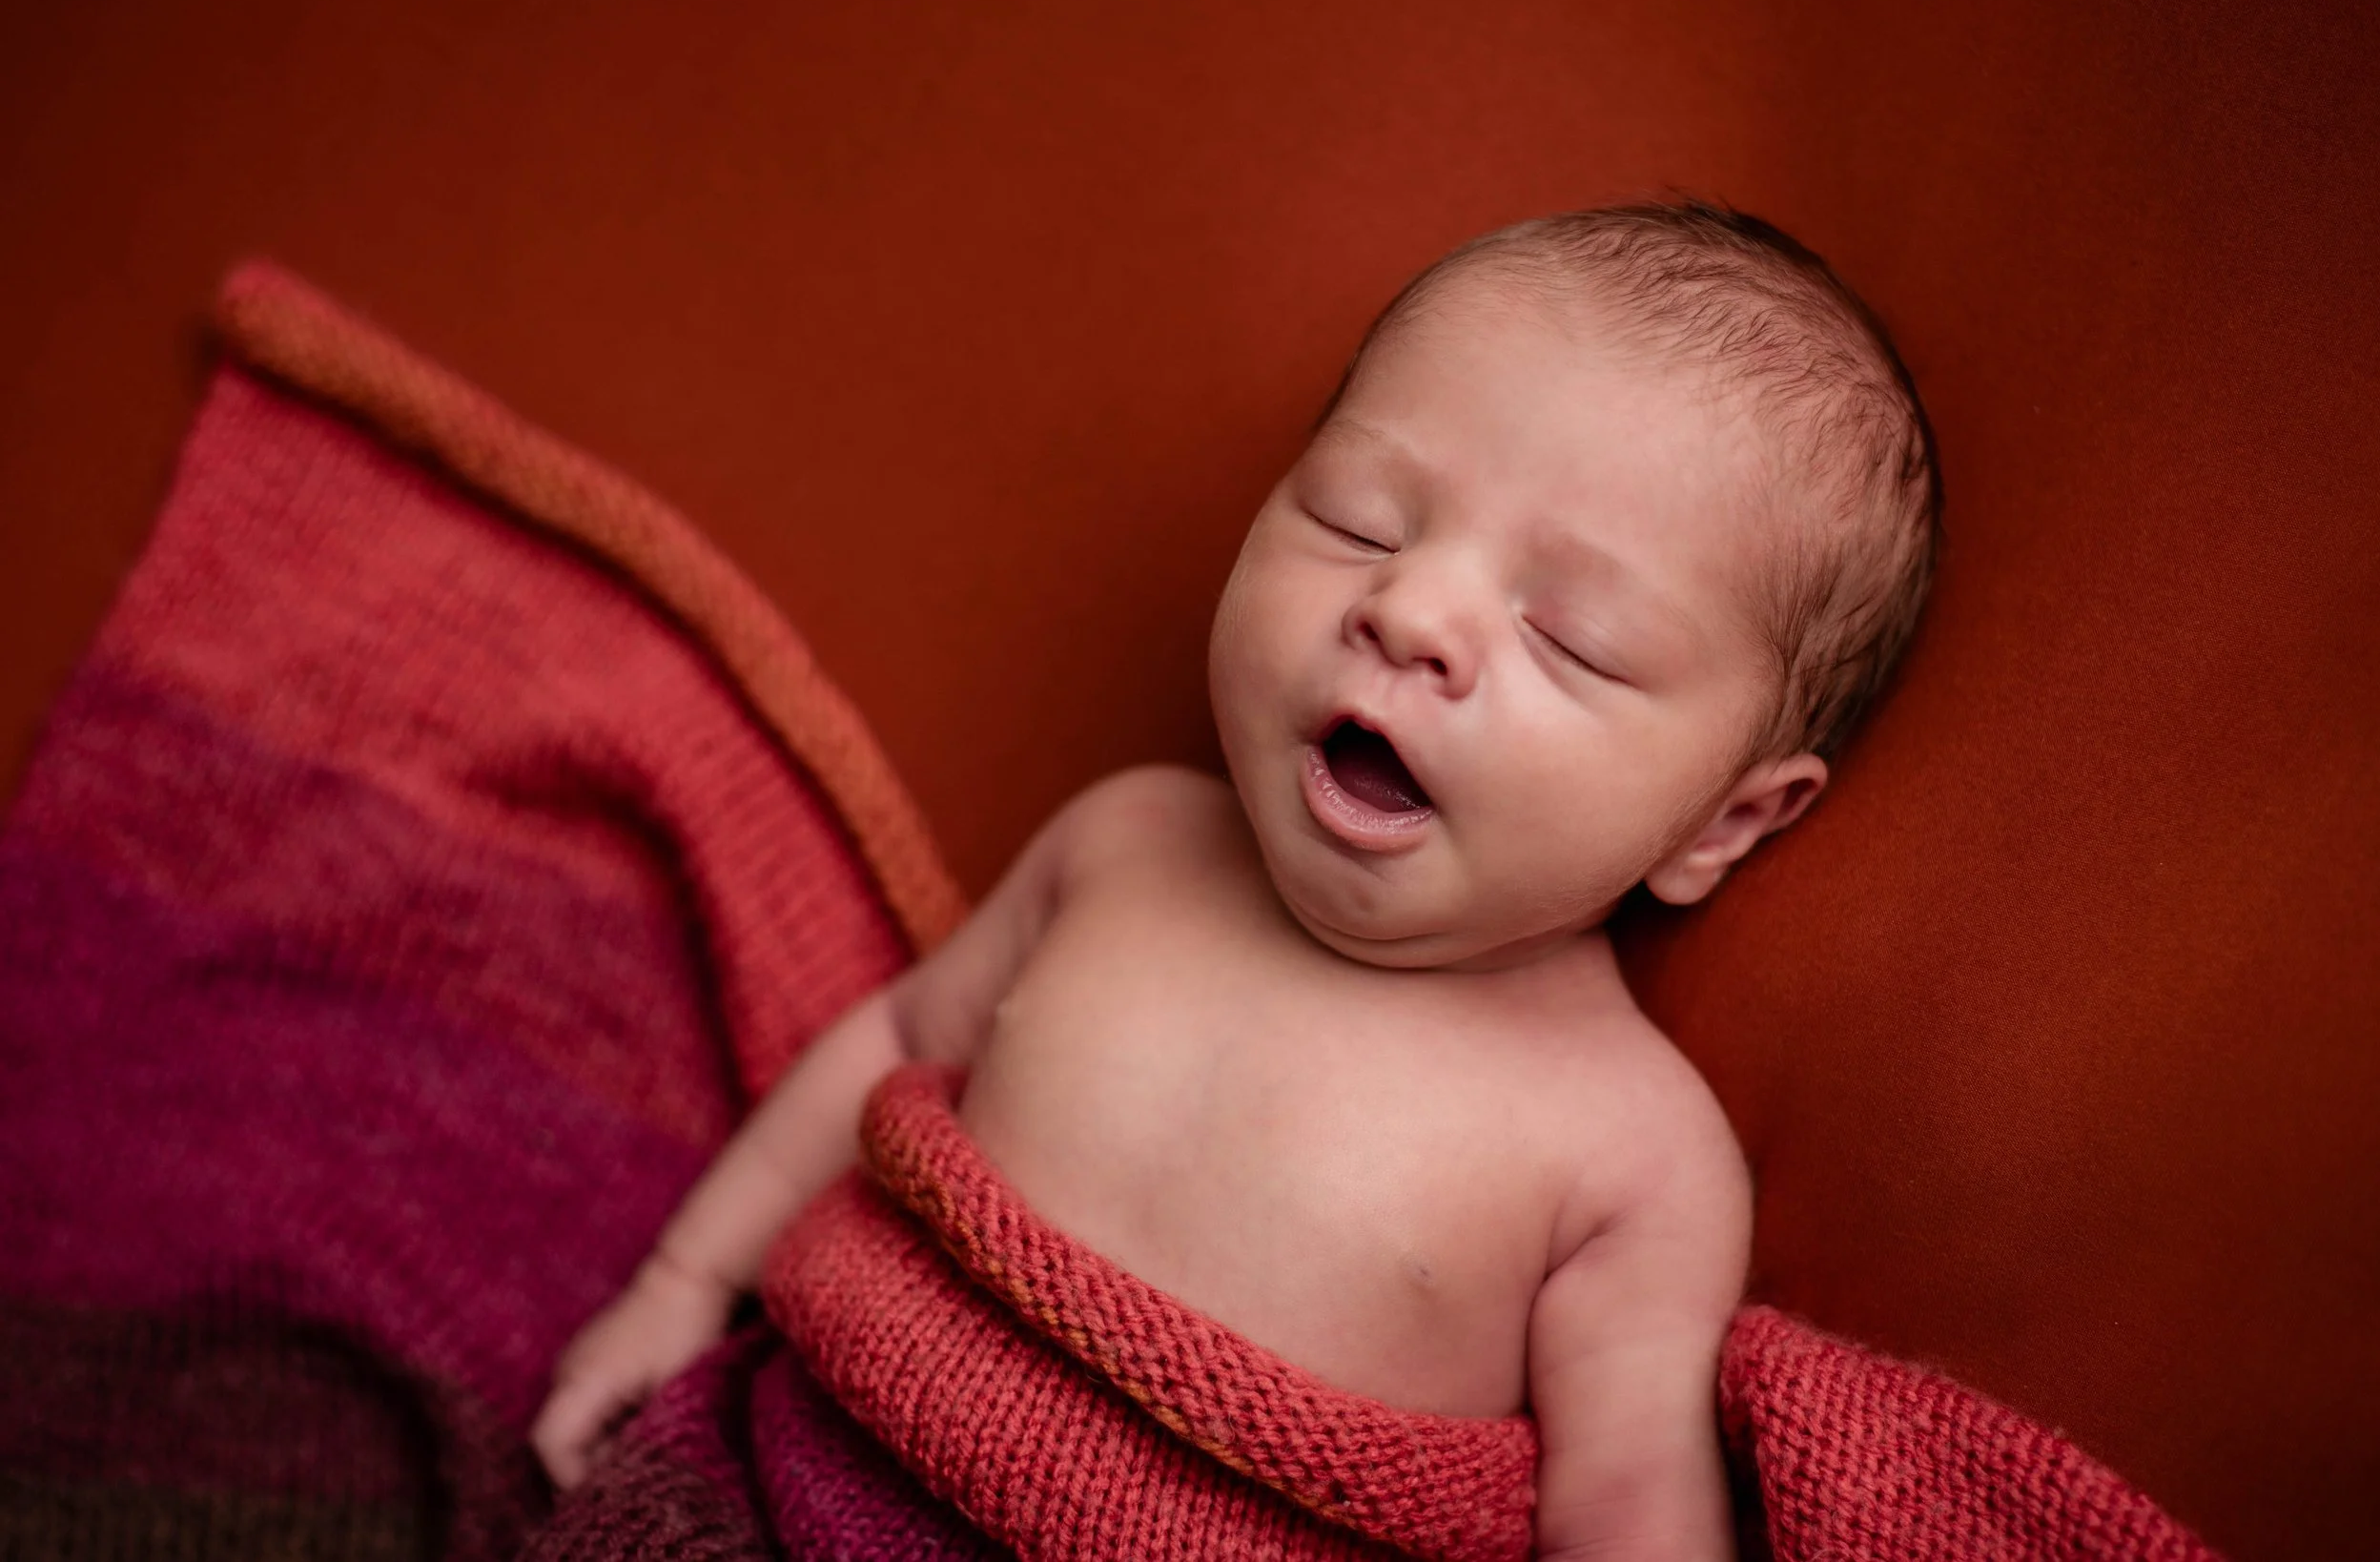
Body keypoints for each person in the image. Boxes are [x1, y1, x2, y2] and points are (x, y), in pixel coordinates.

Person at [531, 200, 1939, 1561]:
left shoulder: (1631, 1156)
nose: (1408, 611)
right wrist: (682, 1283)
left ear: (1724, 823)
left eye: (1570, 637)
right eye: (1363, 522)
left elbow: (1624, 1516)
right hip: (771, 1487)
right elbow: (898, 1038)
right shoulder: (1127, 845)